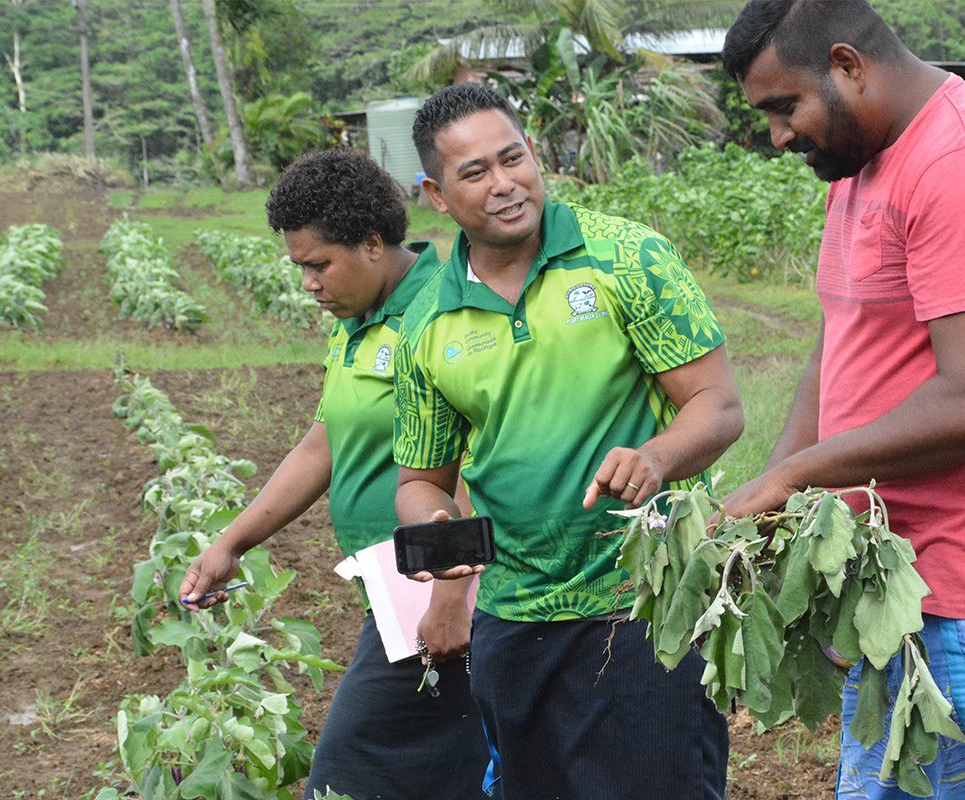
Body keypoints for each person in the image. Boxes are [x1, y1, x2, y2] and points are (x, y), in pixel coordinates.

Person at [718, 2, 965, 798]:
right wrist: (777, 495)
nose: (778, 136)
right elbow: (838, 343)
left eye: (783, 107)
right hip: (903, 588)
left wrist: (797, 476)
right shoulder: (865, 165)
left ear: (847, 65)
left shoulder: (960, 163)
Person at [391, 82, 745, 799]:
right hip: (515, 618)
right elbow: (420, 480)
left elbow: (718, 406)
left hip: (646, 605)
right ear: (435, 192)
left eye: (513, 158)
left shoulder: (625, 259)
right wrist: (436, 529)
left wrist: (656, 457)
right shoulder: (426, 320)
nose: (505, 185)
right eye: (475, 173)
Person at [178, 148, 489, 800]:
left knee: (348, 768)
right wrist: (232, 543)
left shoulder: (440, 316)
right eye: (300, 268)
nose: (308, 284)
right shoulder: (358, 322)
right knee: (454, 764)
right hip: (399, 589)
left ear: (374, 244)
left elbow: (473, 466)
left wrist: (449, 596)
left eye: (319, 265)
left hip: (437, 590)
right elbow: (322, 445)